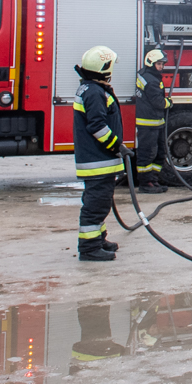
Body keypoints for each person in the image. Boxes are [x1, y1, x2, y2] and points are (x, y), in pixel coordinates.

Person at [73, 45, 126, 262]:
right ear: (104, 69)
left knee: (100, 202)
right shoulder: (95, 92)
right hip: (98, 160)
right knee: (95, 205)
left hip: (98, 160)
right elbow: (97, 127)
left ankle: (98, 239)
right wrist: (117, 146)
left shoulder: (91, 87)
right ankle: (89, 248)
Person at [133, 49, 172, 193]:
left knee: (160, 152)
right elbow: (158, 102)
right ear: (150, 62)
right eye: (159, 64)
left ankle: (154, 180)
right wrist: (168, 103)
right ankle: (146, 183)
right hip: (148, 123)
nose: (161, 67)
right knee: (147, 154)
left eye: (162, 64)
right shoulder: (151, 81)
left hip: (155, 122)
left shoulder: (147, 76)